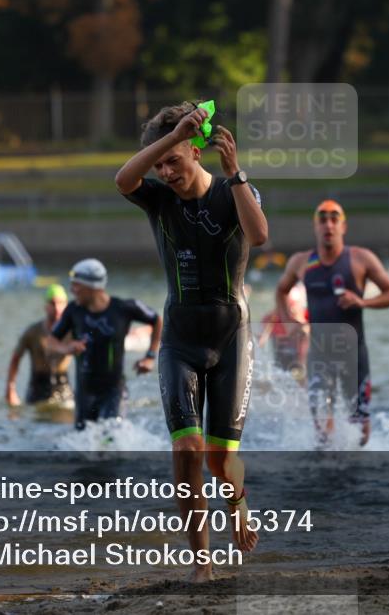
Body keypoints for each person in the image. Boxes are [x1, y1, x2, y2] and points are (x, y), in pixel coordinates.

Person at [114, 101, 268, 577]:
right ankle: (201, 564)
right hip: (180, 338)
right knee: (186, 453)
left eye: (174, 160)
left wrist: (237, 173)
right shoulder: (158, 200)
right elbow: (123, 180)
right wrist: (170, 136)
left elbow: (259, 235)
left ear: (196, 153)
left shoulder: (232, 191)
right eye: (159, 163)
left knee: (221, 463)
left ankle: (237, 502)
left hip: (231, 337)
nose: (166, 171)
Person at [275, 200, 389, 446]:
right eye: (322, 219)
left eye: (335, 219)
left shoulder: (361, 259)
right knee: (323, 432)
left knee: (361, 434)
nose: (328, 225)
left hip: (354, 358)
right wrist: (289, 322)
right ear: (315, 227)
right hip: (319, 356)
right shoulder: (301, 262)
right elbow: (281, 291)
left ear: (344, 227)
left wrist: (362, 302)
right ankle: (328, 476)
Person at [48, 258, 162, 431]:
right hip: (84, 393)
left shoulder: (123, 308)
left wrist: (150, 356)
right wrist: (67, 348)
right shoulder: (73, 311)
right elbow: (51, 342)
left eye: (76, 285)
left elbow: (157, 320)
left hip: (113, 391)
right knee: (84, 446)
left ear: (92, 287)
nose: (72, 290)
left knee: (109, 438)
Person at [5, 284, 73, 408]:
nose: (57, 308)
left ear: (67, 305)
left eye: (61, 303)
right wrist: (10, 389)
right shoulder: (33, 332)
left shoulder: (72, 332)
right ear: (45, 305)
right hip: (37, 388)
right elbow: (16, 358)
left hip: (63, 387)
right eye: (53, 303)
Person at [258, 282, 309, 382]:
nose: (291, 309)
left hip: (298, 360)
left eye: (293, 306)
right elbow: (261, 339)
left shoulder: (304, 318)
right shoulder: (273, 317)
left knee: (299, 378)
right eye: (288, 306)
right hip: (281, 360)